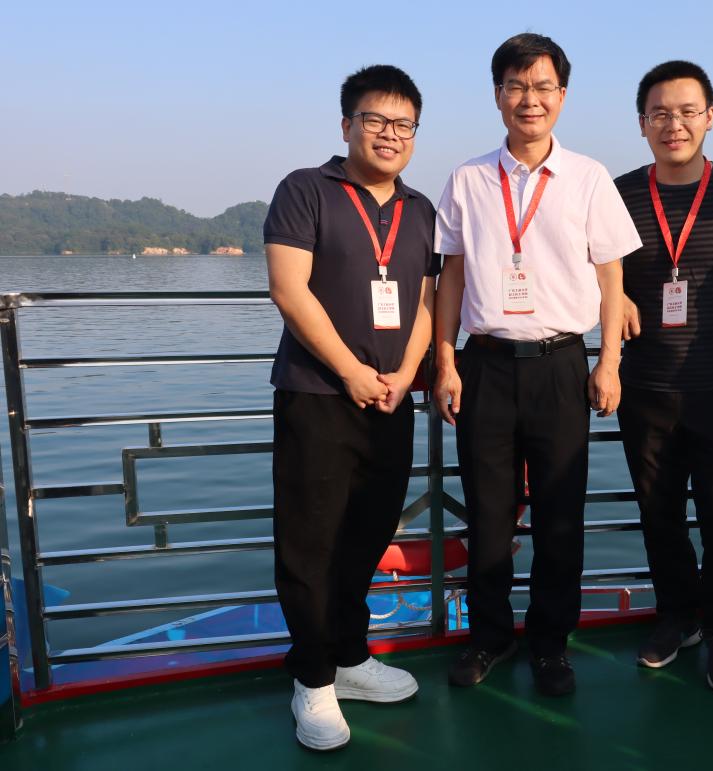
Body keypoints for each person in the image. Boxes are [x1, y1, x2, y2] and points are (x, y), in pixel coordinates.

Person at [433, 32, 641, 697]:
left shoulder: (588, 177)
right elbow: (451, 278)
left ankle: (551, 643)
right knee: (488, 514)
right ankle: (490, 635)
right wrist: (445, 361)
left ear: (563, 96)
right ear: (498, 95)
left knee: (560, 515)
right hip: (486, 365)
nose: (531, 99)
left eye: (543, 86)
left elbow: (611, 277)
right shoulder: (467, 179)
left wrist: (609, 362)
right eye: (517, 86)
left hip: (560, 365)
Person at [264, 65, 437, 750]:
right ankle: (311, 678)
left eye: (404, 124)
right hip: (318, 395)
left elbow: (426, 300)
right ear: (347, 125)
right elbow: (288, 288)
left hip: (391, 399)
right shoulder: (305, 189)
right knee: (310, 541)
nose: (389, 134)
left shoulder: (420, 209)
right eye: (375, 120)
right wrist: (352, 372)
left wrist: (404, 374)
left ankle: (349, 655)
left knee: (367, 533)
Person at [613, 60, 713, 691]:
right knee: (660, 516)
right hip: (645, 386)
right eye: (659, 113)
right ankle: (677, 617)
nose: (672, 124)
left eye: (686, 112)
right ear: (642, 122)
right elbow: (588, 268)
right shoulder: (618, 194)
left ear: (709, 117)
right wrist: (613, 298)